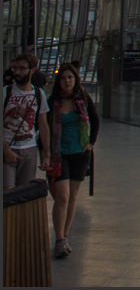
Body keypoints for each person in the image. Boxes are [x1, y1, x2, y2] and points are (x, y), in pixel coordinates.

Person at [47, 62, 100, 258]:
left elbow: (95, 120)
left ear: (75, 79)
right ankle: (59, 239)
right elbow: (43, 127)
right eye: (63, 78)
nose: (67, 81)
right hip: (58, 155)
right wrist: (45, 152)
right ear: (58, 81)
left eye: (70, 78)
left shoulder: (83, 99)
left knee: (72, 197)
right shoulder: (52, 102)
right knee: (61, 196)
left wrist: (91, 142)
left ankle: (64, 237)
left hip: (79, 153)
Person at [3, 52, 50, 190]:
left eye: (22, 68)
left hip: (29, 148)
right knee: (8, 192)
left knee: (24, 194)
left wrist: (46, 154)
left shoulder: (38, 94)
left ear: (32, 70)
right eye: (15, 68)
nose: (17, 72)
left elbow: (43, 124)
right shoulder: (5, 92)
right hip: (8, 147)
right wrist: (6, 151)